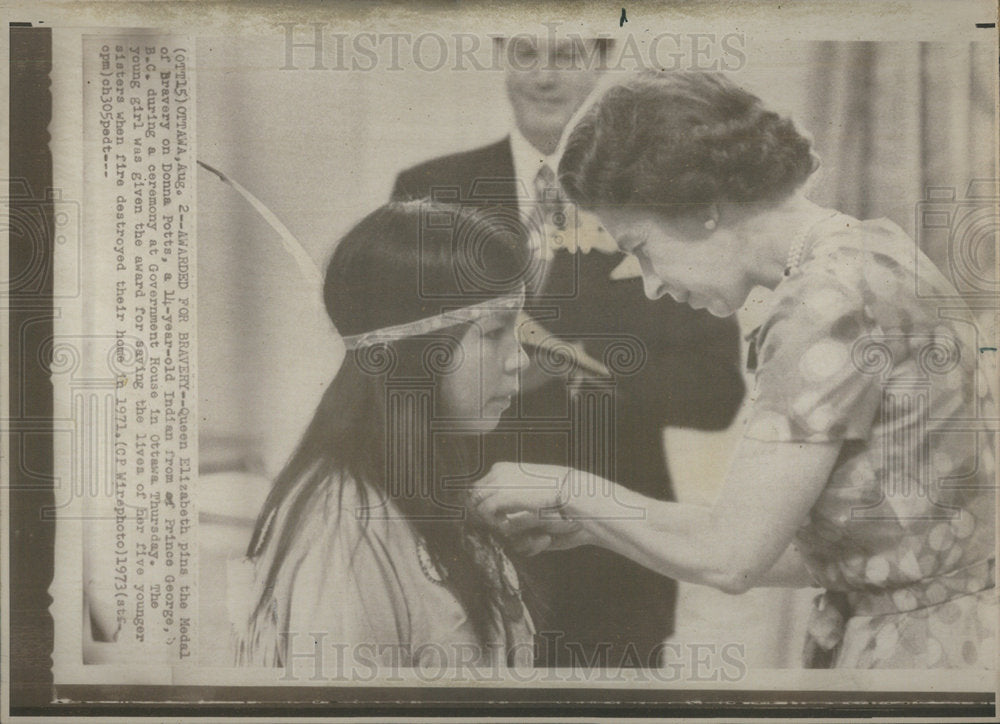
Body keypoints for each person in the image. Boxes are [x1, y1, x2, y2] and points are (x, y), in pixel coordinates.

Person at [474, 71, 997, 669]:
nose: (650, 284)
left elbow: (733, 557)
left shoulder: (825, 304)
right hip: (953, 634)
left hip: (916, 653)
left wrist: (569, 489)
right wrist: (596, 525)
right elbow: (845, 551)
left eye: (641, 248)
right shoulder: (874, 251)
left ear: (701, 208)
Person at [392, 34, 744, 668]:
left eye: (567, 56)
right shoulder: (431, 190)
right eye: (526, 53)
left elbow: (716, 391)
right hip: (463, 534)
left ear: (603, 61)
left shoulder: (662, 194)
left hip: (612, 561)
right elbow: (397, 366)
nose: (544, 77)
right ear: (500, 54)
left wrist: (578, 362)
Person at [232, 201, 536, 673]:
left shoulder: (423, 489)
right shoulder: (343, 533)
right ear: (417, 350)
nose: (521, 359)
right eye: (495, 333)